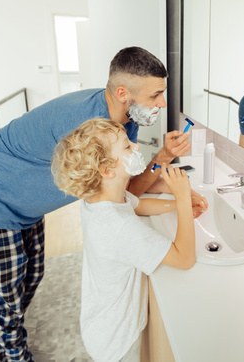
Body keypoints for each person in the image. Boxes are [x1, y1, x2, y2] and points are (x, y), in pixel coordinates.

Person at [0, 46, 206, 361]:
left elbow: (127, 188)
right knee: (3, 306)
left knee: (26, 283)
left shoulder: (122, 121)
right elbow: (128, 190)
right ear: (123, 92)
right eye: (155, 95)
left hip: (23, 210)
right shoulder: (89, 126)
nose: (162, 103)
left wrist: (164, 159)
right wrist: (175, 193)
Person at [51, 118, 197, 362]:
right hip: (118, 342)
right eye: (127, 147)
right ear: (107, 170)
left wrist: (183, 205)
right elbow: (184, 258)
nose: (137, 147)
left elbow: (139, 205)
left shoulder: (100, 200)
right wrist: (182, 198)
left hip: (101, 323)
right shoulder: (119, 227)